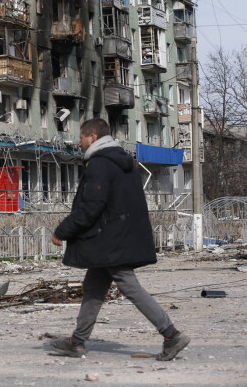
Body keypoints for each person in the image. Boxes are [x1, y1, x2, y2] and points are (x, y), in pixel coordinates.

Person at [49, 118, 190, 361]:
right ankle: (77, 341)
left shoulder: (100, 165)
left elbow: (92, 206)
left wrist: (62, 231)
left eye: (81, 138)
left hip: (109, 240)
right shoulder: (125, 163)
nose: (79, 143)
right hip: (117, 237)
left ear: (92, 137)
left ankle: (171, 334)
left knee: (129, 284)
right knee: (93, 287)